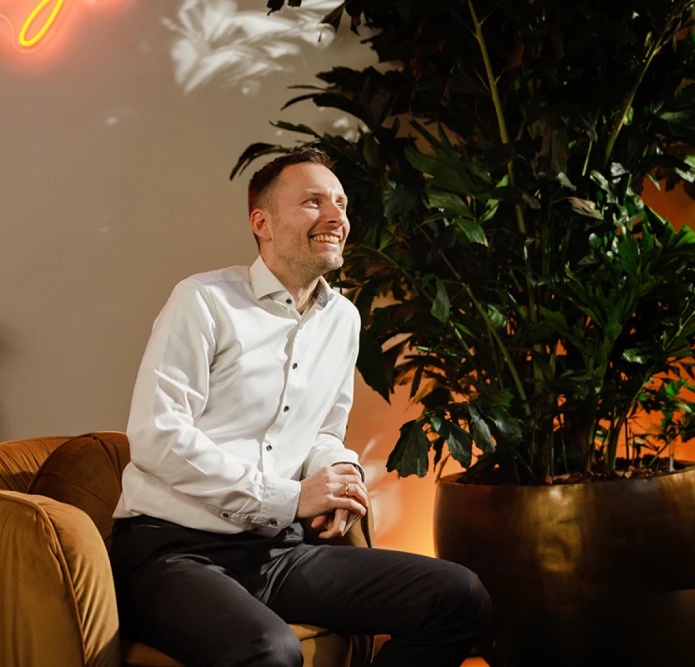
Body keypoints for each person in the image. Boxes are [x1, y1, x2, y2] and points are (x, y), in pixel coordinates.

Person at [108, 147, 492, 667]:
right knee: (268, 650)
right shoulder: (202, 301)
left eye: (340, 203)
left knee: (459, 597)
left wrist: (338, 475)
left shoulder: (344, 320)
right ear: (261, 222)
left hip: (278, 550)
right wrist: (288, 498)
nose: (336, 217)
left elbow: (325, 432)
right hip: (172, 552)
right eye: (313, 202)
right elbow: (158, 434)